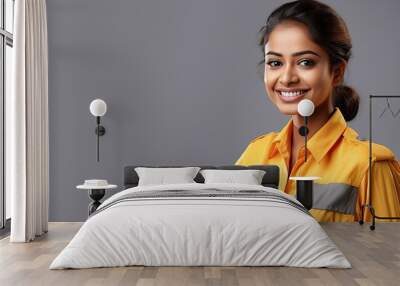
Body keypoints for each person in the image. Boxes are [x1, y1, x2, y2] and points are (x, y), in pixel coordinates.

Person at [235, 0, 400, 222]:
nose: (286, 78)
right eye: (275, 63)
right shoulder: (255, 154)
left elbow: (388, 255)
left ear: (337, 72)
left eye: (305, 62)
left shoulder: (370, 165)